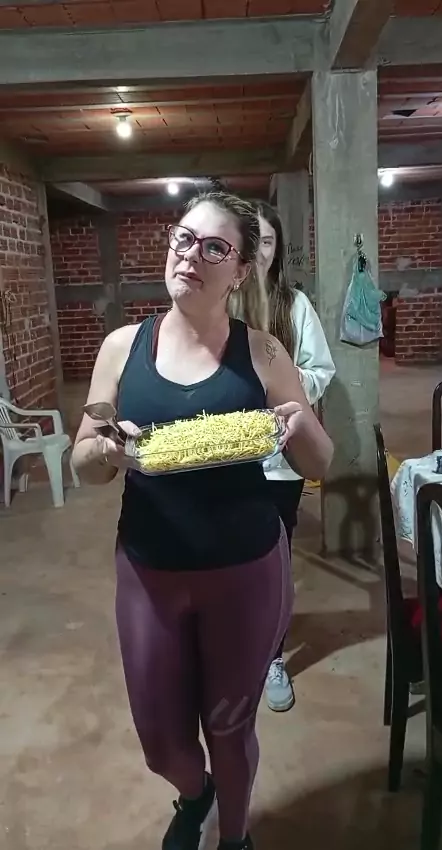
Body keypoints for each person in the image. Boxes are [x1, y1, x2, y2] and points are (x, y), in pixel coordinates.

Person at [72, 191, 333, 850]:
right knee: (161, 741)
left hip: (245, 568)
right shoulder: (121, 348)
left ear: (241, 271)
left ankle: (235, 837)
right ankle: (196, 792)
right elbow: (84, 461)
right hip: (149, 569)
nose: (191, 256)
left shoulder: (264, 353)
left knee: (229, 726)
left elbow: (320, 460)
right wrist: (104, 451)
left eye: (215, 247)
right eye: (184, 238)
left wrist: (300, 426)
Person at [233, 200, 335, 713]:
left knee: (274, 559)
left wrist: (281, 389)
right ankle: (236, 653)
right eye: (251, 241)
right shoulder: (219, 304)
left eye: (267, 241)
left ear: (277, 250)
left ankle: (272, 655)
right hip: (225, 458)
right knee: (228, 558)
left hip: (278, 460)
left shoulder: (294, 306)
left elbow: (321, 369)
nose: (259, 251)